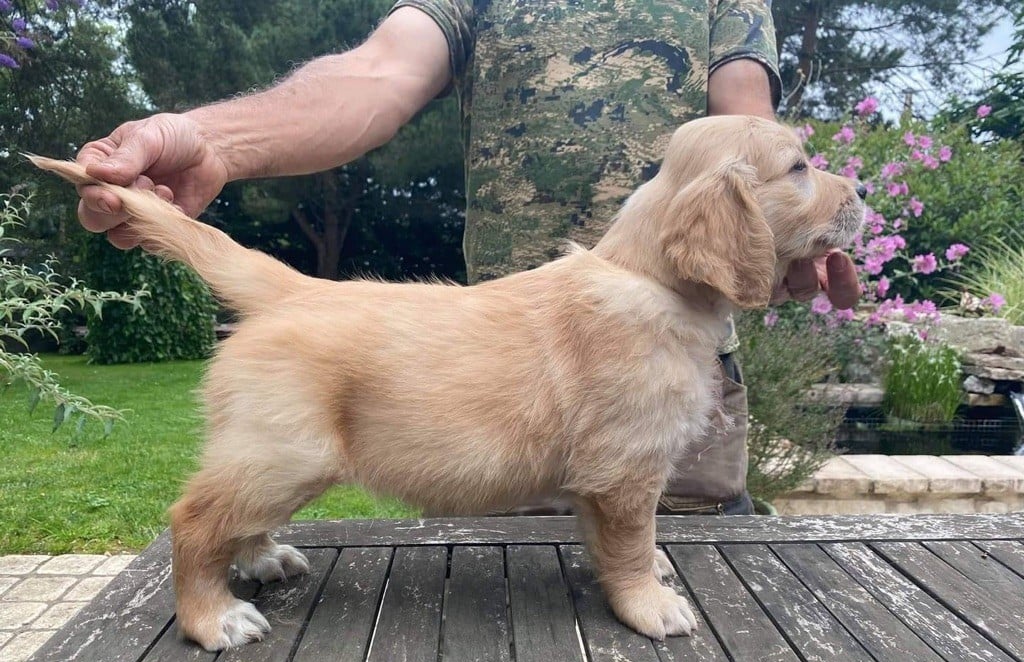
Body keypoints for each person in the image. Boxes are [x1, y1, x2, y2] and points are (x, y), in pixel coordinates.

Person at [73, 1, 859, 516]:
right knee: (482, 603)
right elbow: (376, 75)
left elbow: (748, 128)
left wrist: (786, 227)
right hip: (492, 381)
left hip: (683, 367)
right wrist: (215, 141)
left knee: (698, 595)